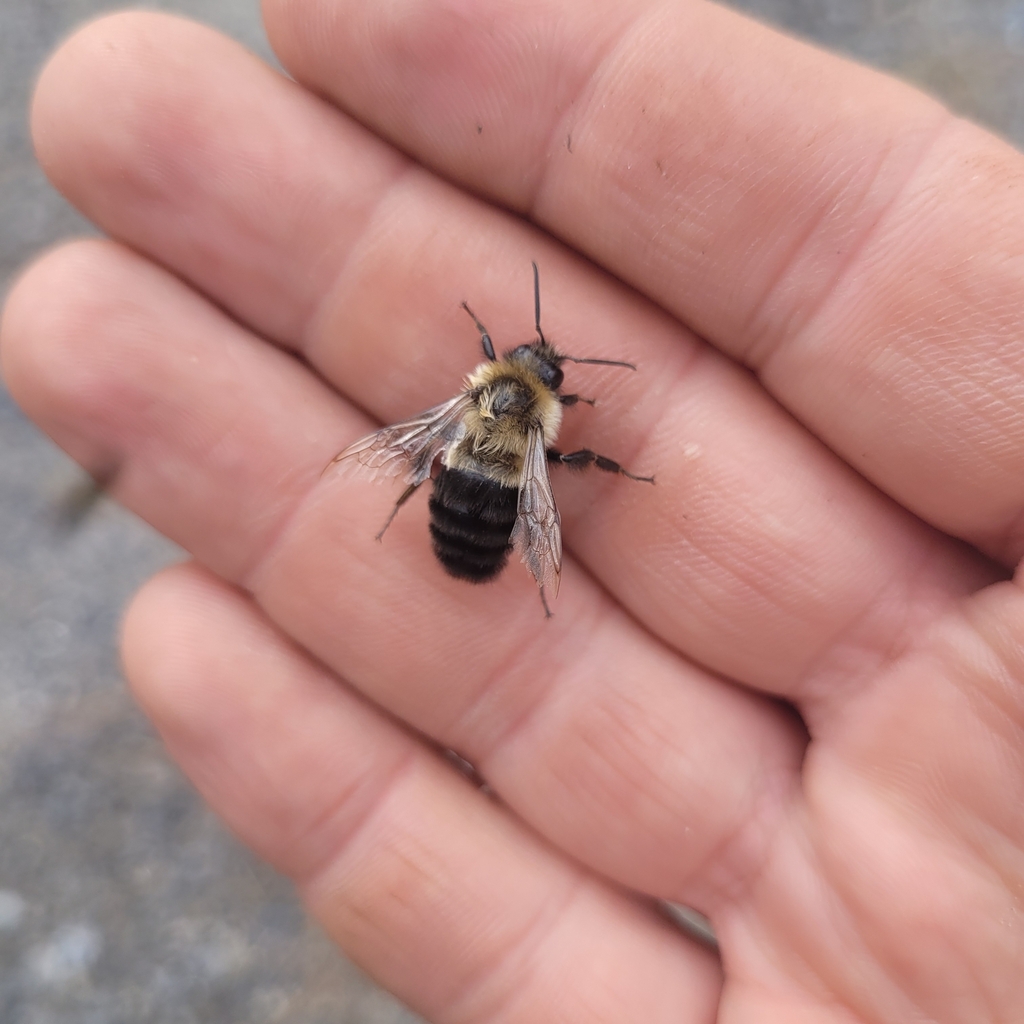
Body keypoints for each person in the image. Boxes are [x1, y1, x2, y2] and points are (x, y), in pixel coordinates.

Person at [3, 0, 1023, 1019]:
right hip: (487, 513)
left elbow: (433, 445)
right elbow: (544, 455)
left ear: (493, 377)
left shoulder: (477, 406)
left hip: (469, 497)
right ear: (527, 385)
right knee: (553, 481)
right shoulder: (539, 417)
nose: (534, 364)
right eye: (536, 360)